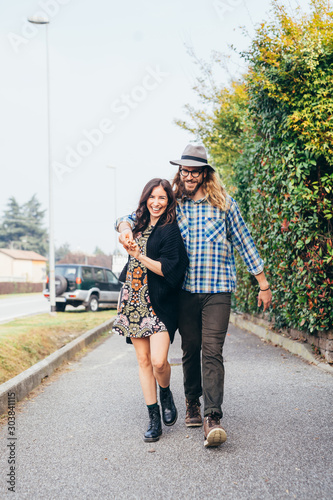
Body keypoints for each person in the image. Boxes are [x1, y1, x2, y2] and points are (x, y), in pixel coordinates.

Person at [117, 144, 272, 448]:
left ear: (204, 173)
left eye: (194, 170)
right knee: (190, 348)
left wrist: (263, 284)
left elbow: (245, 244)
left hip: (217, 289)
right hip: (184, 291)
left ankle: (212, 416)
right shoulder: (177, 204)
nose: (188, 175)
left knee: (212, 350)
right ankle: (191, 401)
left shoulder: (226, 205)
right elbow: (139, 212)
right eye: (184, 170)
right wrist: (124, 226)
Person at [113, 178, 188, 443]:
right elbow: (121, 221)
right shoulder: (139, 222)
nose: (156, 203)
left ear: (169, 202)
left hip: (159, 302)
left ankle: (165, 391)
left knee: (158, 361)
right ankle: (153, 418)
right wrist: (125, 230)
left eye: (162, 198)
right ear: (146, 199)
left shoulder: (170, 230)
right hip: (134, 299)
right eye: (152, 197)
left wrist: (139, 255)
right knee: (143, 361)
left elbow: (169, 268)